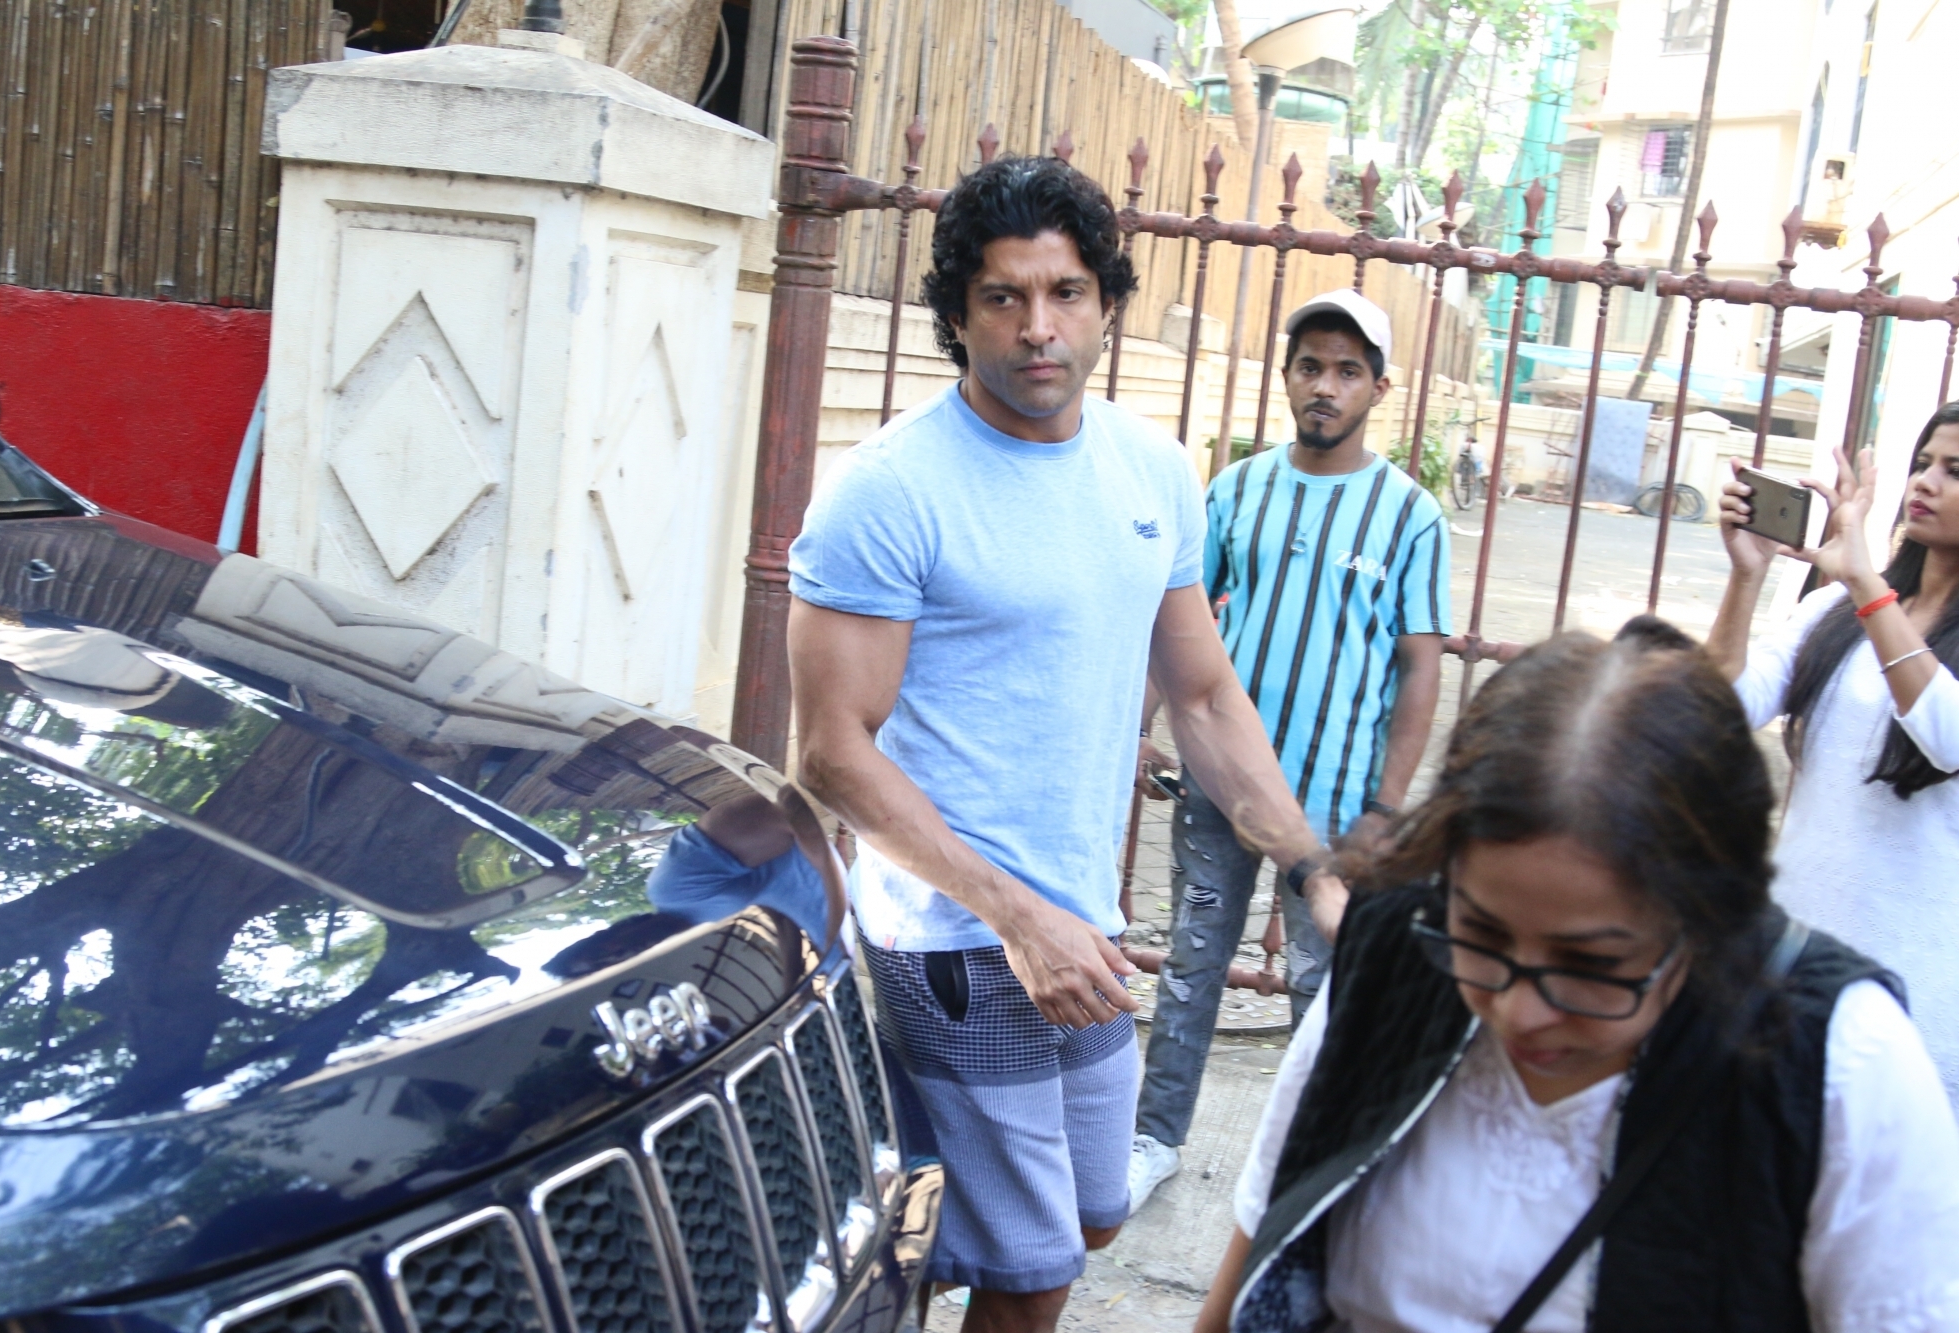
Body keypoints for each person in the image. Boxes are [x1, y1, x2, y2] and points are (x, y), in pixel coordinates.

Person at [786, 156, 1345, 1333]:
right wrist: (1013, 914)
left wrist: (1310, 865)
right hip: (953, 926)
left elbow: (1201, 696)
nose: (1038, 328)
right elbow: (833, 752)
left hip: (1078, 921)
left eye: (1066, 293)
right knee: (1036, 1267)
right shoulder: (891, 490)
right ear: (955, 314)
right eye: (1003, 297)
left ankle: (894, 1230)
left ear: (1105, 303)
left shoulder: (1151, 472)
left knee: (1093, 1211)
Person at [1193, 619, 1959, 1333]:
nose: (1521, 1013)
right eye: (1483, 935)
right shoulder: (1399, 945)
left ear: (1707, 918)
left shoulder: (1838, 1061)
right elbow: (1268, 1227)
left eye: (1593, 965)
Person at [1128, 290, 1450, 1213]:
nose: (1326, 386)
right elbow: (1181, 624)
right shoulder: (1235, 490)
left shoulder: (1409, 516)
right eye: (1311, 365)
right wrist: (1139, 725)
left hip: (1337, 810)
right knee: (1194, 964)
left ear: (1379, 388)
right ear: (1286, 376)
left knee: (1320, 984)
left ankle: (1307, 1165)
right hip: (1221, 785)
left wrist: (1387, 808)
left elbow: (1419, 670)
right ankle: (1154, 1139)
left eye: (1348, 370)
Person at [1707, 412, 1959, 1104]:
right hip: (1794, 966)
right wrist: (1746, 576)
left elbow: (1948, 735)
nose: (1926, 483)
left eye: (1954, 471)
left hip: (1922, 997)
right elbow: (1722, 708)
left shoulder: (1864, 599)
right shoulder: (1838, 612)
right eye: (1924, 461)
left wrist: (1866, 586)